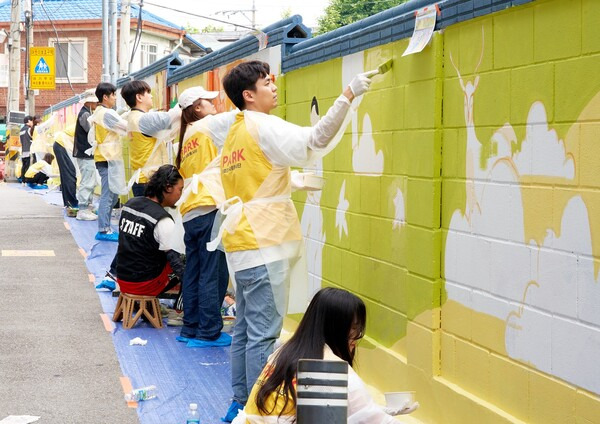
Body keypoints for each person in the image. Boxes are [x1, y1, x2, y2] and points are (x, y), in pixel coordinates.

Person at [215, 60, 376, 422]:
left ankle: (239, 402)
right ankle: (256, 413)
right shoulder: (262, 124)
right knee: (263, 333)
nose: (274, 87)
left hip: (243, 244)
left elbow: (256, 177)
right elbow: (314, 140)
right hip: (263, 240)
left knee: (244, 329)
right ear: (248, 94)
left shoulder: (236, 130)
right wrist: (348, 95)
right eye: (266, 82)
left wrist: (294, 182)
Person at [232, 287, 419, 423]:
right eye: (353, 329)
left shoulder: (285, 351)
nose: (356, 338)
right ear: (335, 329)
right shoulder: (331, 369)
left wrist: (380, 410)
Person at [174, 86, 233, 348]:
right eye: (209, 102)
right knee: (213, 272)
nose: (215, 104)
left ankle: (191, 327)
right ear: (198, 108)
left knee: (194, 271)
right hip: (209, 205)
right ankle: (209, 331)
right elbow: (248, 118)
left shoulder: (185, 137)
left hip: (190, 212)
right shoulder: (209, 124)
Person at [115, 164, 185, 297]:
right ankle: (182, 307)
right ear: (168, 188)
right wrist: (190, 284)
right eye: (180, 190)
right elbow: (175, 263)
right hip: (144, 285)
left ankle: (140, 305)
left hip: (122, 279)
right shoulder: (163, 220)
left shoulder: (129, 205)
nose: (180, 195)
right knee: (183, 262)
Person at [120, 80, 181, 197]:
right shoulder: (143, 119)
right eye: (148, 92)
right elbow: (168, 118)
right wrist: (185, 103)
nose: (151, 95)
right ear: (139, 97)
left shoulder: (132, 117)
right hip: (149, 181)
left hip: (142, 180)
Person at [89, 82, 127, 242]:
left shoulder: (100, 112)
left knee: (112, 193)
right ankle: (104, 229)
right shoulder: (106, 113)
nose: (115, 98)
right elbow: (125, 127)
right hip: (107, 157)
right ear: (105, 97)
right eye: (113, 95)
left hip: (105, 157)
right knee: (108, 195)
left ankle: (105, 227)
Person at [73, 89, 98, 221]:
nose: (97, 104)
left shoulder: (87, 112)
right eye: (95, 101)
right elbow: (92, 131)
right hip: (84, 153)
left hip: (85, 153)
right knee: (87, 181)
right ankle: (82, 209)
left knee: (90, 180)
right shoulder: (85, 115)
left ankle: (86, 207)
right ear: (89, 102)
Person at [52, 125, 78, 210]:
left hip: (60, 144)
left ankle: (68, 202)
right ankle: (71, 203)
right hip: (62, 145)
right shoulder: (90, 123)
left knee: (67, 174)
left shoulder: (87, 120)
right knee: (69, 175)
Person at [19, 115, 34, 182]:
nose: (32, 123)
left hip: (23, 150)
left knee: (24, 166)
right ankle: (28, 180)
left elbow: (20, 141)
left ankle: (23, 181)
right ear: (29, 121)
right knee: (28, 166)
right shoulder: (29, 129)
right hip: (29, 150)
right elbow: (32, 138)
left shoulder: (21, 130)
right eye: (32, 121)